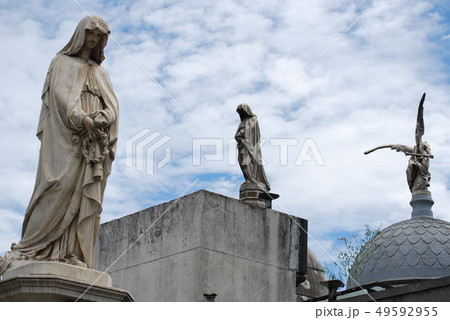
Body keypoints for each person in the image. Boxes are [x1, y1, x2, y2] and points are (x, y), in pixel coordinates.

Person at [0, 15, 119, 274]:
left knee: (85, 193)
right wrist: (82, 118)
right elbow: (60, 97)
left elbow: (113, 106)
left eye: (99, 37)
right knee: (56, 185)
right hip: (67, 138)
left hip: (93, 143)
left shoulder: (101, 73)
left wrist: (105, 117)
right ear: (80, 34)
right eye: (91, 34)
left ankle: (71, 252)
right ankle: (33, 247)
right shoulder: (61, 63)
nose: (94, 40)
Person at [235, 104, 270, 192]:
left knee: (248, 162)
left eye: (243, 111)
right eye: (240, 112)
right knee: (242, 162)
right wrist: (239, 135)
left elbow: (253, 133)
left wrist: (243, 132)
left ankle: (252, 179)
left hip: (250, 146)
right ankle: (248, 179)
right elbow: (237, 134)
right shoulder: (242, 122)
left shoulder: (253, 119)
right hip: (242, 146)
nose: (242, 113)